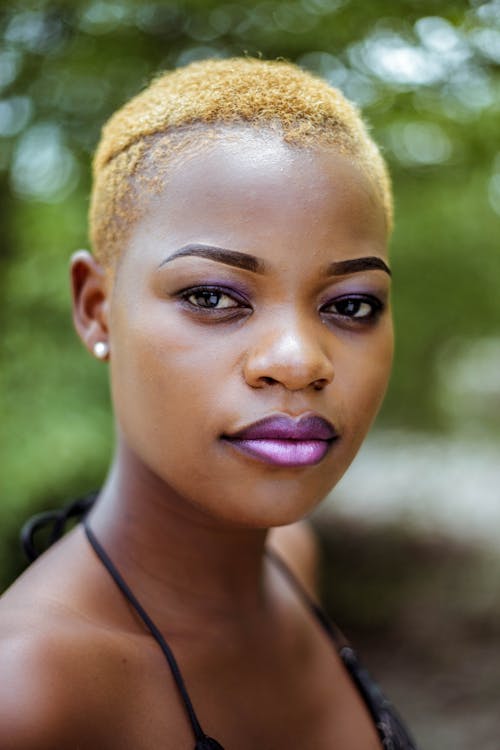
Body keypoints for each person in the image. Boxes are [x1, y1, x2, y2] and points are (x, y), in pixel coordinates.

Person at [0, 58, 417, 749]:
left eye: (350, 304)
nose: (297, 361)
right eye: (213, 297)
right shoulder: (32, 694)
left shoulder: (291, 557)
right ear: (96, 309)